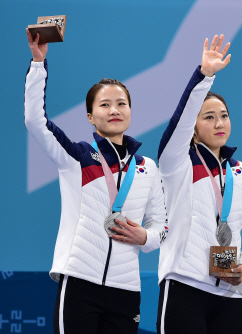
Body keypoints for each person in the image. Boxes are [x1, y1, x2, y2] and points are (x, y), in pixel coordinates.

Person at [24, 30, 168, 334]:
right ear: (90, 116)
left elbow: (162, 227)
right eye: (104, 105)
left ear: (130, 111)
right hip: (79, 283)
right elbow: (35, 121)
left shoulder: (147, 168)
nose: (114, 110)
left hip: (126, 291)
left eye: (121, 104)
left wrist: (145, 237)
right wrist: (38, 64)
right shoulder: (76, 157)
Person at [155, 35, 242, 334]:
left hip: (231, 294)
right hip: (185, 284)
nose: (220, 124)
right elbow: (177, 127)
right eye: (209, 118)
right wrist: (203, 77)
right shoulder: (177, 164)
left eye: (224, 116)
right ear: (193, 129)